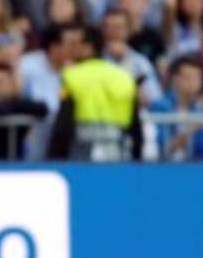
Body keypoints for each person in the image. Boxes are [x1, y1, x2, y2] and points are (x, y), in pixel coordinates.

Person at [48, 24, 141, 161]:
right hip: (118, 151)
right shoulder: (124, 77)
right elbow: (135, 126)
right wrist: (137, 157)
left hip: (82, 150)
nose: (69, 49)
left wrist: (55, 157)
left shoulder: (71, 76)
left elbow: (64, 124)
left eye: (74, 44)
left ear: (88, 47)